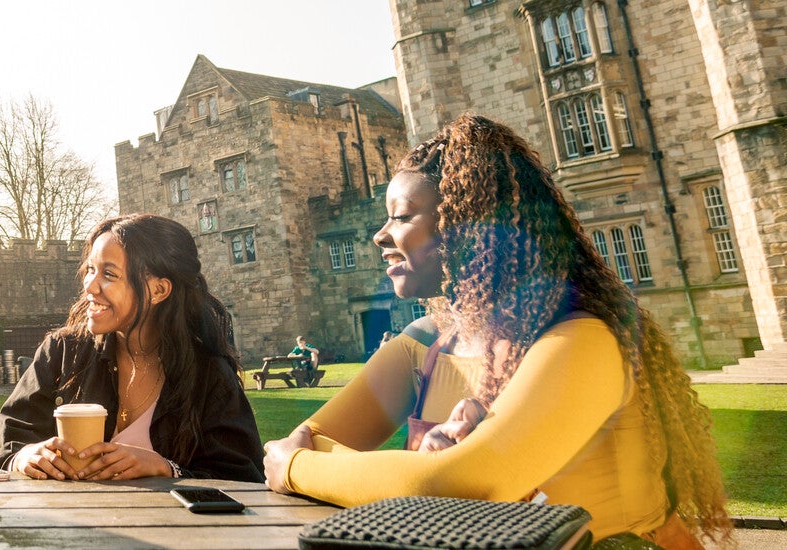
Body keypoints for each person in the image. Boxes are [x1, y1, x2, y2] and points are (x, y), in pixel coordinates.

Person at [260, 114, 729, 547]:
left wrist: (304, 469)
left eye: (402, 216)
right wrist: (411, 469)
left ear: (468, 227)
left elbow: (459, 484)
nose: (380, 235)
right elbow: (298, 441)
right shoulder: (425, 342)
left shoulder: (581, 339)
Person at [0, 214, 264, 482]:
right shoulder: (61, 353)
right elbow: (9, 448)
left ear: (159, 290)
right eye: (91, 270)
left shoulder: (208, 376)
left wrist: (167, 470)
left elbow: (243, 479)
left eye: (109, 274)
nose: (90, 286)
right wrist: (23, 457)